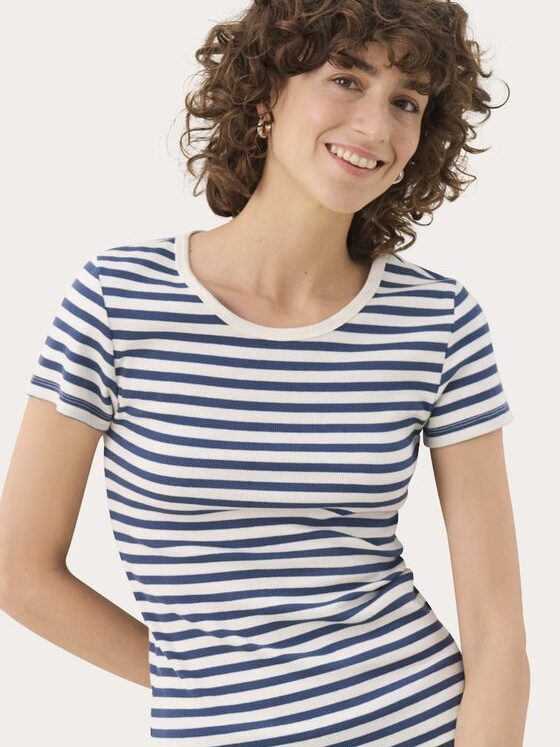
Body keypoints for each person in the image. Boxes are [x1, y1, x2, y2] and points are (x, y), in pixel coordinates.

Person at [0, 1, 530, 745]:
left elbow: (498, 630)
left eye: (405, 102)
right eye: (346, 80)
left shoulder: (437, 320)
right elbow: (19, 571)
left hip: (423, 722)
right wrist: (209, 683)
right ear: (265, 94)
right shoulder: (118, 300)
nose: (375, 127)